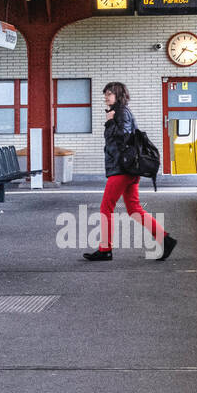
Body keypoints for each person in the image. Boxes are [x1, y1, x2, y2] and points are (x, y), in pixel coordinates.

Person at [83, 82, 177, 262]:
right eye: (105, 94)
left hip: (122, 169)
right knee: (134, 209)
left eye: (109, 94)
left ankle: (105, 249)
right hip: (127, 169)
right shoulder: (119, 112)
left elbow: (123, 137)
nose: (105, 97)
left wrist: (110, 122)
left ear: (118, 95)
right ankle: (165, 239)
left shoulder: (121, 113)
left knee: (106, 207)